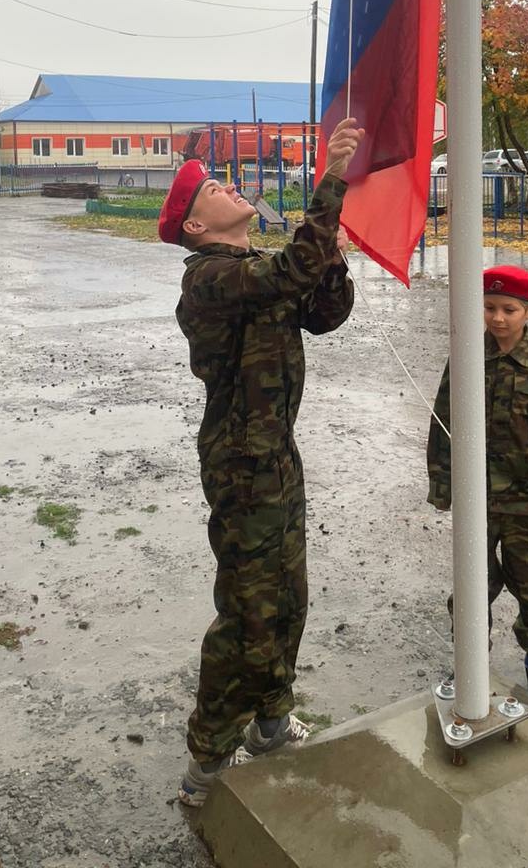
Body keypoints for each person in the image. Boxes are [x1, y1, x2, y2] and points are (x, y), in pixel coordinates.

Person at [158, 117, 363, 807]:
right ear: (194, 226)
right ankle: (207, 760)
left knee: (289, 599)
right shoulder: (210, 279)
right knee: (249, 610)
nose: (229, 183)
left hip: (275, 453)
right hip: (241, 461)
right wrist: (331, 179)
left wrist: (331, 253)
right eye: (212, 186)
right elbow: (291, 271)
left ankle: (271, 722)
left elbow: (325, 310)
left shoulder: (255, 270)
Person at [426, 264, 528, 708]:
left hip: (527, 498)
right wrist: (442, 485)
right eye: (490, 307)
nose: (498, 318)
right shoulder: (466, 354)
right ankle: (470, 663)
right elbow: (443, 422)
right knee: (472, 582)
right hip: (476, 497)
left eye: (509, 310)